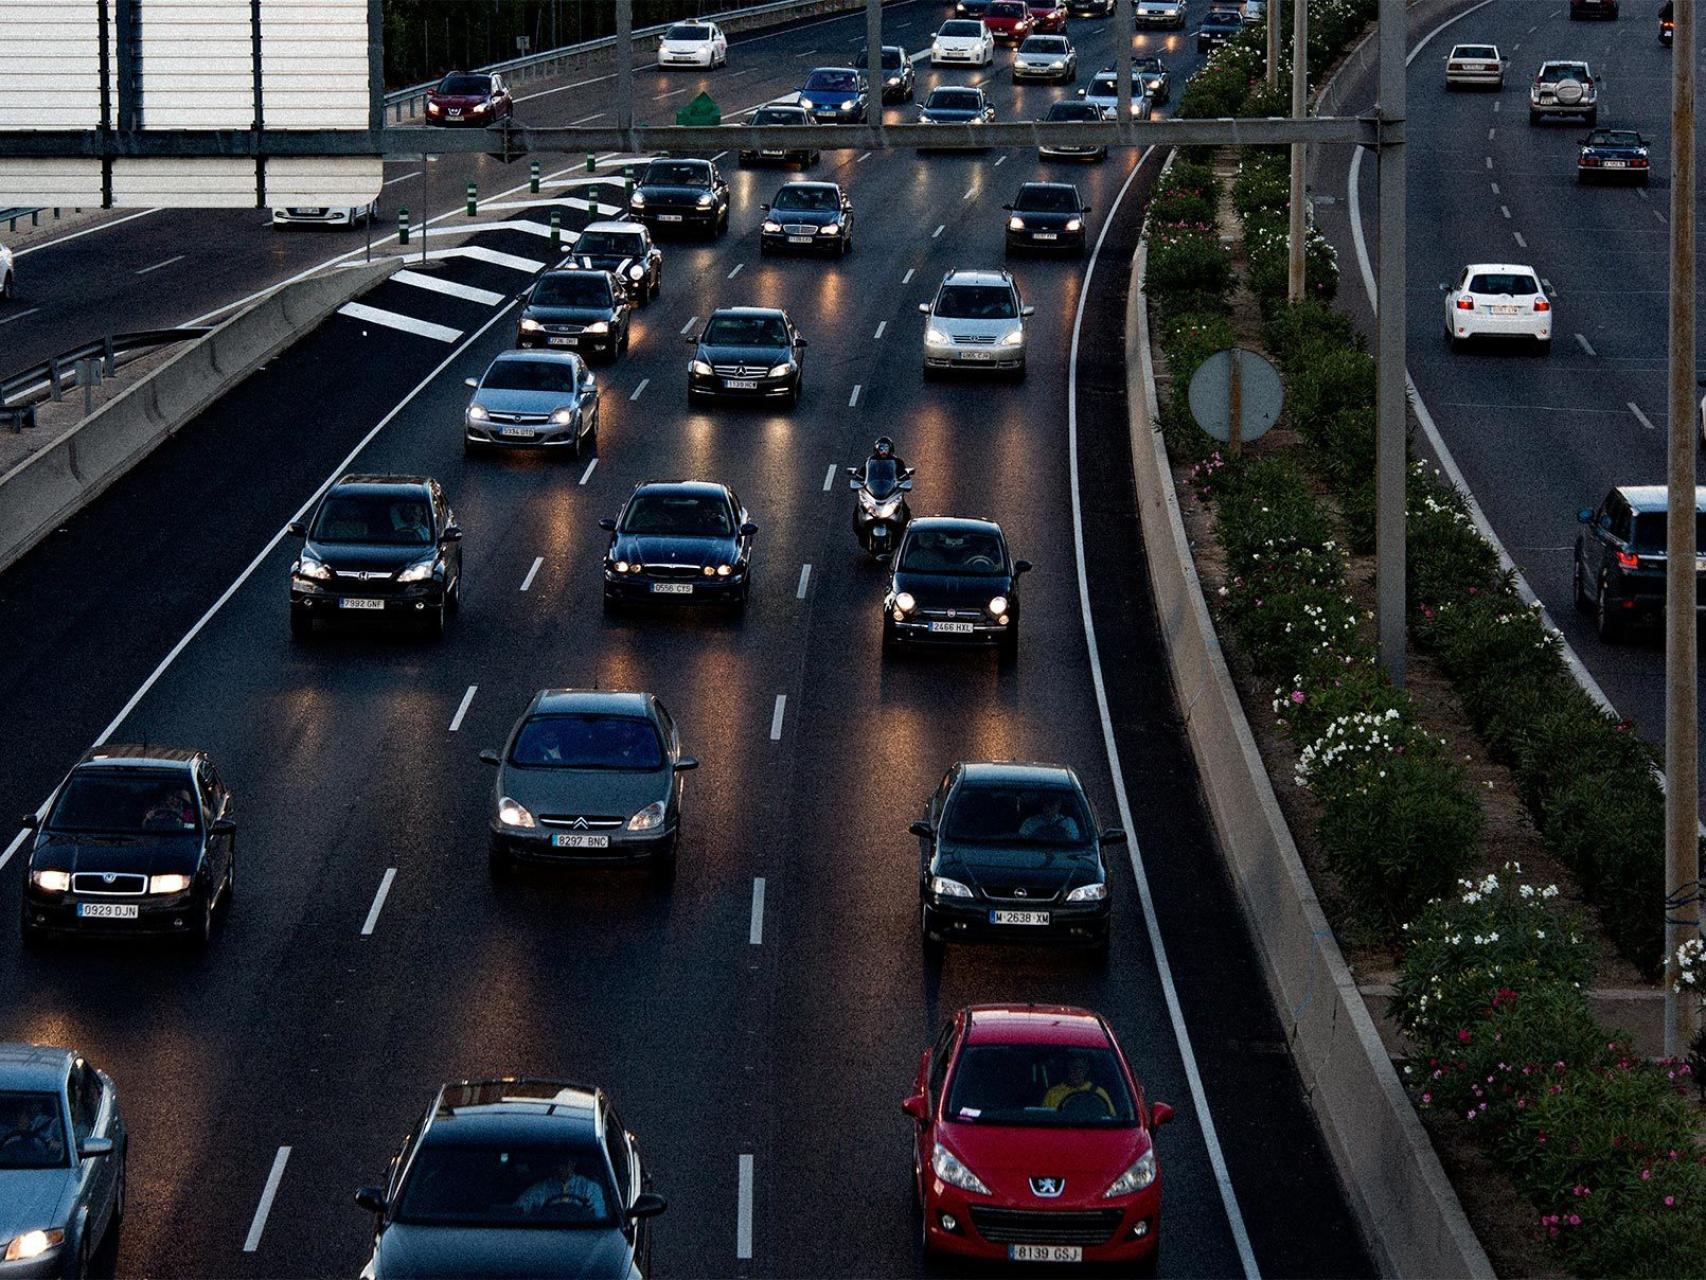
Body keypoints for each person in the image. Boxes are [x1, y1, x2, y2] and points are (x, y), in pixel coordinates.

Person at [514, 1155, 609, 1218]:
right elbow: (518, 1209)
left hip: (580, 1234)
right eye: (558, 1162)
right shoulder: (542, 1189)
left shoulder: (590, 1188)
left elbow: (599, 1216)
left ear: (573, 1163)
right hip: (547, 1235)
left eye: (565, 1162)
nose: (561, 1167)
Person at [1042, 1057, 1114, 1113]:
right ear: (1068, 1069)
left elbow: (1111, 1118)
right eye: (1073, 1067)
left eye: (1080, 1068)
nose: (1076, 1072)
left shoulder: (1098, 1093)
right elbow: (1044, 1119)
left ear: (1086, 1070)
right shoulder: (1053, 1093)